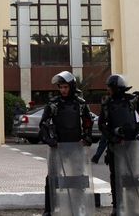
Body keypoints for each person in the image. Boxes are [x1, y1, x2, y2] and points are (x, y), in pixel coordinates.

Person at [39, 71, 93, 216]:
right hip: (58, 147)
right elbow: (43, 123)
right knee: (52, 177)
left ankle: (79, 206)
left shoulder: (80, 103)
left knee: (77, 177)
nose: (63, 90)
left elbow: (88, 121)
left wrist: (87, 137)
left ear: (71, 87)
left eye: (65, 87)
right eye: (60, 87)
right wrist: (49, 139)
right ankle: (49, 209)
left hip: (76, 146)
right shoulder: (54, 104)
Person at [98, 74, 139, 216]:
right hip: (114, 145)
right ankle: (117, 207)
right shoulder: (107, 103)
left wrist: (135, 129)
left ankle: (133, 205)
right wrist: (113, 137)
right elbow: (101, 124)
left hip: (131, 144)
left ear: (117, 88)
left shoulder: (133, 100)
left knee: (132, 175)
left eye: (110, 87)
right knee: (115, 176)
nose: (108, 90)